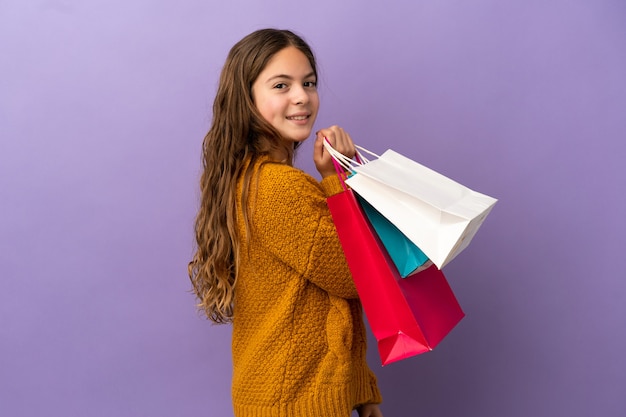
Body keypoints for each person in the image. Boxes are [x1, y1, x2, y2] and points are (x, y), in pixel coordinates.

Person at [188, 28, 383, 417]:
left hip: (283, 396)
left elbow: (319, 304)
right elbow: (355, 276)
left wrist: (363, 394)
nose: (302, 97)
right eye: (282, 85)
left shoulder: (249, 179)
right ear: (247, 99)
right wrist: (337, 180)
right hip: (295, 402)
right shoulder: (279, 188)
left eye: (308, 82)